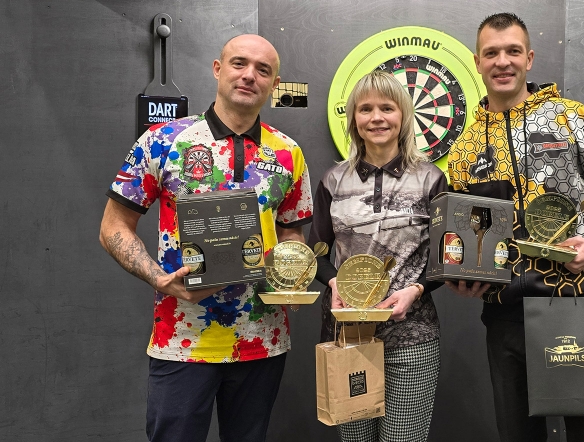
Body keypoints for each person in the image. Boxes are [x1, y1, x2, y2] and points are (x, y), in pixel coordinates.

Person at [99, 34, 313, 442]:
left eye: (263, 70)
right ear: (218, 69)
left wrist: (293, 274)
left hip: (262, 338)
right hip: (182, 338)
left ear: (274, 84)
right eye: (239, 63)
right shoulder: (163, 140)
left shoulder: (289, 153)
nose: (249, 75)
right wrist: (159, 279)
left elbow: (291, 231)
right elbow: (113, 226)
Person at [445, 13, 584, 441]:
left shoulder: (575, 120)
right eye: (491, 53)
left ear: (529, 58)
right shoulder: (464, 149)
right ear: (477, 62)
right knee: (517, 435)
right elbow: (462, 234)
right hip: (505, 313)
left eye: (513, 51)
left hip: (574, 302)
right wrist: (461, 275)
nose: (502, 61)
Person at [309, 70, 448, 442]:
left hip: (412, 337)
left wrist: (415, 290)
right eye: (365, 109)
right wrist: (334, 282)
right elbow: (317, 254)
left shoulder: (431, 179)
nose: (376, 118)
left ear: (403, 115)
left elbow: (446, 257)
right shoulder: (333, 180)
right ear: (354, 118)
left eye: (387, 108)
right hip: (347, 336)